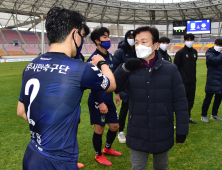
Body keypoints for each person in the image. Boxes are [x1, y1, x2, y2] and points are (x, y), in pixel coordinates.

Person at [17, 7, 116, 170]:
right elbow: (111, 85)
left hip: (32, 155)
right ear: (74, 34)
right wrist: (102, 64)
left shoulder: (31, 65)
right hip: (58, 161)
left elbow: (21, 111)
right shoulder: (81, 68)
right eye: (82, 36)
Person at [114, 26, 189, 170]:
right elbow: (113, 86)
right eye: (136, 42)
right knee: (137, 167)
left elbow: (180, 101)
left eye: (144, 41)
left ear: (155, 45)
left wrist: (182, 128)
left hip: (162, 129)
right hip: (137, 130)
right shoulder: (130, 68)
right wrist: (124, 69)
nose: (139, 45)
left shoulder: (170, 69)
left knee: (161, 167)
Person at [87, 27, 121, 166]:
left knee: (114, 126)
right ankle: (98, 155)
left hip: (109, 99)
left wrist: (117, 93)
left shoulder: (110, 56)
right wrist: (100, 102)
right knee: (99, 129)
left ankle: (107, 148)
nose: (108, 40)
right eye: (105, 37)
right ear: (97, 41)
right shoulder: (93, 59)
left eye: (108, 37)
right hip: (98, 100)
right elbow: (92, 83)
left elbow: (112, 77)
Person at [113, 30, 136, 143]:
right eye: (129, 37)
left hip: (137, 86)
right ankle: (121, 131)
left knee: (136, 110)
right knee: (125, 109)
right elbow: (116, 73)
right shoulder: (119, 52)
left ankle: (134, 130)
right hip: (125, 88)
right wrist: (118, 91)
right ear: (126, 38)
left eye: (133, 37)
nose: (132, 39)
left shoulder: (139, 51)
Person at [174, 33, 198, 124]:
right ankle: (181, 118)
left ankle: (188, 117)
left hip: (192, 81)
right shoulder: (180, 53)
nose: (190, 42)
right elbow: (176, 67)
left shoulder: (195, 52)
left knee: (191, 100)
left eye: (191, 40)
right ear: (184, 41)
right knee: (182, 101)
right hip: (183, 81)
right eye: (188, 40)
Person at [201, 39, 222, 123]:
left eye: (220, 46)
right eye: (218, 45)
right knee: (208, 98)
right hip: (212, 79)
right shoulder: (209, 52)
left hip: (220, 80)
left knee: (218, 99)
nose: (219, 47)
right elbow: (214, 61)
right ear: (215, 44)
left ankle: (214, 114)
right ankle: (203, 115)